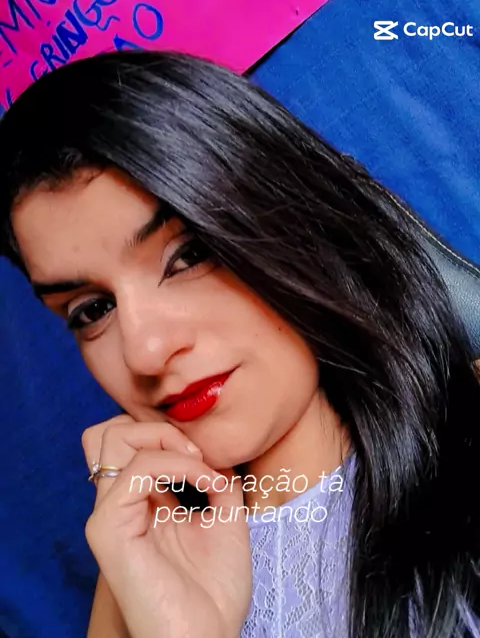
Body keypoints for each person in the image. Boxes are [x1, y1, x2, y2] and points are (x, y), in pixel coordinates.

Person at [0, 50, 479, 638]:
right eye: (93, 310)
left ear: (295, 224)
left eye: (189, 256)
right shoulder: (135, 562)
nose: (145, 352)